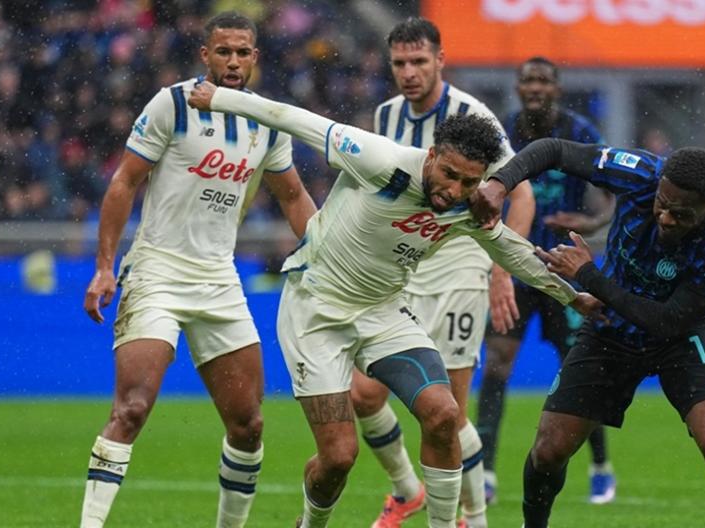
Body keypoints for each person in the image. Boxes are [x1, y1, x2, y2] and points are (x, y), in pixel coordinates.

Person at [188, 82, 603, 528]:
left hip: (383, 311)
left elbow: (511, 251)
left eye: (468, 182)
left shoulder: (469, 205)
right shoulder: (380, 160)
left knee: (444, 414)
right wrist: (220, 99)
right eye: (449, 174)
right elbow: (295, 119)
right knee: (338, 458)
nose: (454, 190)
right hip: (315, 311)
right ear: (431, 156)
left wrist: (573, 295)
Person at [79, 12, 316, 528]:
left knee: (249, 425)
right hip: (157, 272)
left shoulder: (266, 120)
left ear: (255, 57)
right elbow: (124, 182)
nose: (233, 61)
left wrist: (328, 257)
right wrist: (104, 267)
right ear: (205, 55)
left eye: (242, 52)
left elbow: (293, 195)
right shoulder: (172, 104)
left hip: (218, 279)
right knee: (131, 409)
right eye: (223, 51)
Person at [472, 138, 705, 527]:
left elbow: (668, 321)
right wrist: (500, 184)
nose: (666, 218)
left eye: (681, 214)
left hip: (681, 335)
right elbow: (555, 151)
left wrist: (588, 276)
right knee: (548, 450)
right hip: (610, 327)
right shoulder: (640, 173)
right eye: (662, 204)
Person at [356, 18, 534, 528]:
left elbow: (520, 194)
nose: (409, 72)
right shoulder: (386, 114)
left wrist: (502, 270)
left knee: (448, 412)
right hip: (404, 268)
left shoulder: (472, 117)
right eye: (400, 63)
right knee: (363, 394)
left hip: (459, 267)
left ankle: (472, 518)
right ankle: (407, 490)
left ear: (440, 60)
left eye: (419, 61)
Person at [475, 56, 617, 506]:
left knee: (579, 367)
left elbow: (615, 193)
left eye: (543, 81)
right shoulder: (500, 132)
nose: (535, 87)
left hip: (565, 267)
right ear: (518, 88)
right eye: (528, 81)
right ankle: (486, 472)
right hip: (513, 264)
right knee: (497, 364)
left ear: (557, 88)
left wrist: (592, 223)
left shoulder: (580, 133)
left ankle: (600, 465)